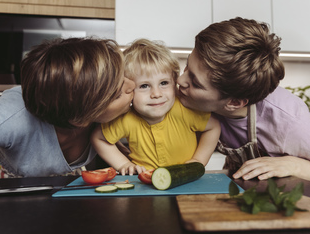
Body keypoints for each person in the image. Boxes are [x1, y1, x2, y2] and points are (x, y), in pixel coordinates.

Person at [0, 37, 136, 215]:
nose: (133, 86)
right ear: (80, 118)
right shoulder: (10, 118)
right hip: (4, 181)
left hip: (61, 185)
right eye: (117, 94)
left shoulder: (112, 113)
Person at [177, 17, 310, 190]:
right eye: (187, 67)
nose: (180, 80)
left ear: (234, 102)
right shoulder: (189, 101)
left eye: (195, 82)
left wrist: (295, 166)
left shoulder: (289, 119)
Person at [91, 39, 221, 175]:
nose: (156, 94)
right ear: (130, 89)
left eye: (164, 83)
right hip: (144, 184)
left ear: (174, 82)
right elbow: (98, 138)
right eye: (144, 86)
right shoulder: (126, 119)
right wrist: (124, 164)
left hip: (185, 179)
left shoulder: (183, 110)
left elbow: (213, 127)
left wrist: (198, 160)